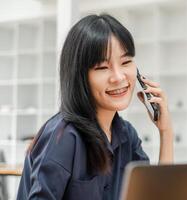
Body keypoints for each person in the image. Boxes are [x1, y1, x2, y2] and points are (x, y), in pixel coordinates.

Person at [17, 14, 174, 200]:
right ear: (80, 76)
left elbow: (155, 196)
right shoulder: (63, 137)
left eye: (125, 62)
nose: (118, 77)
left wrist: (166, 132)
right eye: (102, 67)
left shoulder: (126, 135)